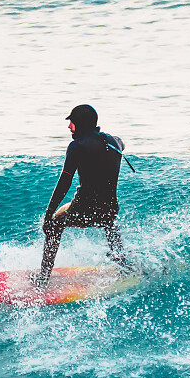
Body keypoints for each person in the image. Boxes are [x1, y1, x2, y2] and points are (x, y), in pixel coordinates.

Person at [37, 104, 133, 286]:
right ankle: (123, 266)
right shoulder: (115, 142)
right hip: (110, 208)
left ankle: (43, 278)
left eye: (71, 123)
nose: (69, 127)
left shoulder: (76, 146)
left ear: (80, 124)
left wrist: (48, 214)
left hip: (85, 208)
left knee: (55, 223)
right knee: (109, 223)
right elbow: (122, 142)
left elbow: (64, 183)